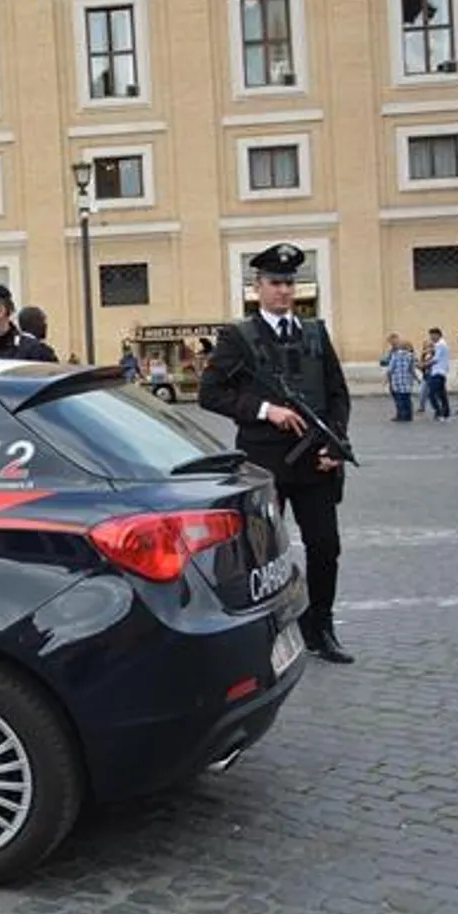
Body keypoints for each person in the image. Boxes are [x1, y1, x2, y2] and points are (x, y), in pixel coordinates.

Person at [198, 242, 353, 665]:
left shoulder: (315, 334)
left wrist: (334, 443)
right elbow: (210, 393)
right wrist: (268, 410)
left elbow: (338, 394)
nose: (284, 291)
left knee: (325, 546)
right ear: (258, 287)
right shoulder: (239, 338)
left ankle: (320, 627)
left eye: (289, 283)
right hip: (264, 463)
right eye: (275, 283)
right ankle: (262, 635)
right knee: (260, 554)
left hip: (315, 463)